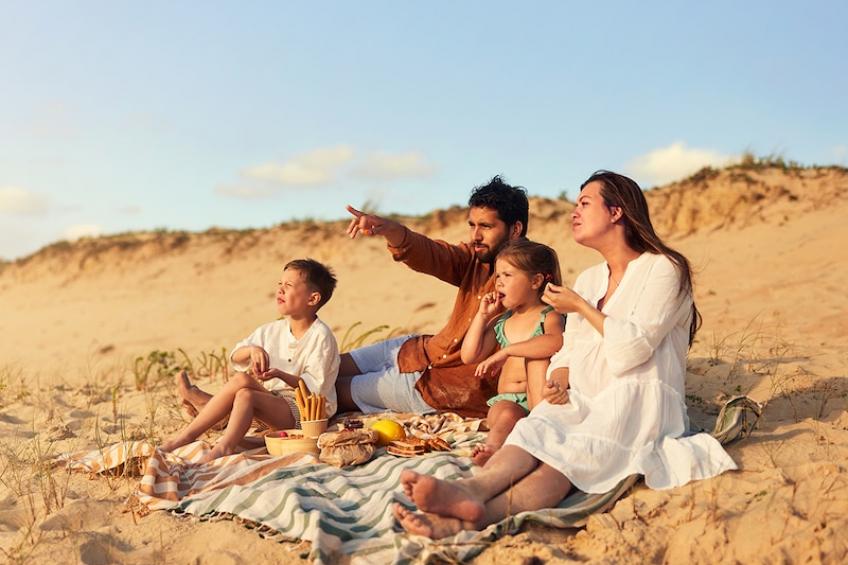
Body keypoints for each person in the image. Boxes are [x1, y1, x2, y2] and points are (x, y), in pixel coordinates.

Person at [394, 170, 737, 539]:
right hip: (584, 396)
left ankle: (478, 516)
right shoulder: (590, 278)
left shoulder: (665, 268)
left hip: (636, 398)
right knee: (534, 429)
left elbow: (632, 350)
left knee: (563, 459)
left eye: (584, 204)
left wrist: (580, 306)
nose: (574, 212)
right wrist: (559, 377)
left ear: (616, 212)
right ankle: (470, 492)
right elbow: (570, 348)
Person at [337, 176, 558, 418]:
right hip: (419, 349)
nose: (475, 236)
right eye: (472, 225)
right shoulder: (475, 258)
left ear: (515, 229)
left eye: (485, 226)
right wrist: (390, 229)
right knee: (327, 368)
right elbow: (432, 254)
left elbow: (551, 341)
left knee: (330, 391)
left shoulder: (529, 282)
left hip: (442, 389)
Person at [161, 259, 340, 463]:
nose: (280, 290)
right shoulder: (271, 330)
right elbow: (235, 356)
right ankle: (186, 436)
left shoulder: (321, 336)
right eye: (279, 284)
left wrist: (280, 374)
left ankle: (223, 448)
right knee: (240, 380)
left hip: (306, 412)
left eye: (288, 286)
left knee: (247, 396)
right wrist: (252, 351)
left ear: (312, 298)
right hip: (276, 400)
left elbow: (313, 390)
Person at [460, 239, 565, 465]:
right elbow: (469, 355)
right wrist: (482, 316)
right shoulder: (503, 321)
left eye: (507, 275)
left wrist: (506, 352)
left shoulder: (550, 316)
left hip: (539, 400)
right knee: (508, 417)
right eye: (497, 276)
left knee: (525, 428)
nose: (499, 283)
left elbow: (555, 342)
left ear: (535, 281)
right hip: (506, 402)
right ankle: (491, 449)